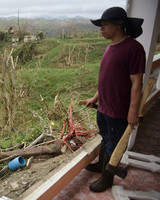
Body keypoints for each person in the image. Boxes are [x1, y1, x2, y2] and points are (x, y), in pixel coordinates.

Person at [84, 7, 145, 192]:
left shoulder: (134, 49)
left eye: (105, 25)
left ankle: (107, 178)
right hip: (104, 107)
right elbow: (106, 79)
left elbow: (137, 83)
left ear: (119, 25)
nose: (101, 29)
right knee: (105, 138)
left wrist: (132, 112)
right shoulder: (110, 47)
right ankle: (101, 164)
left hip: (119, 110)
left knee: (114, 144)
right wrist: (95, 97)